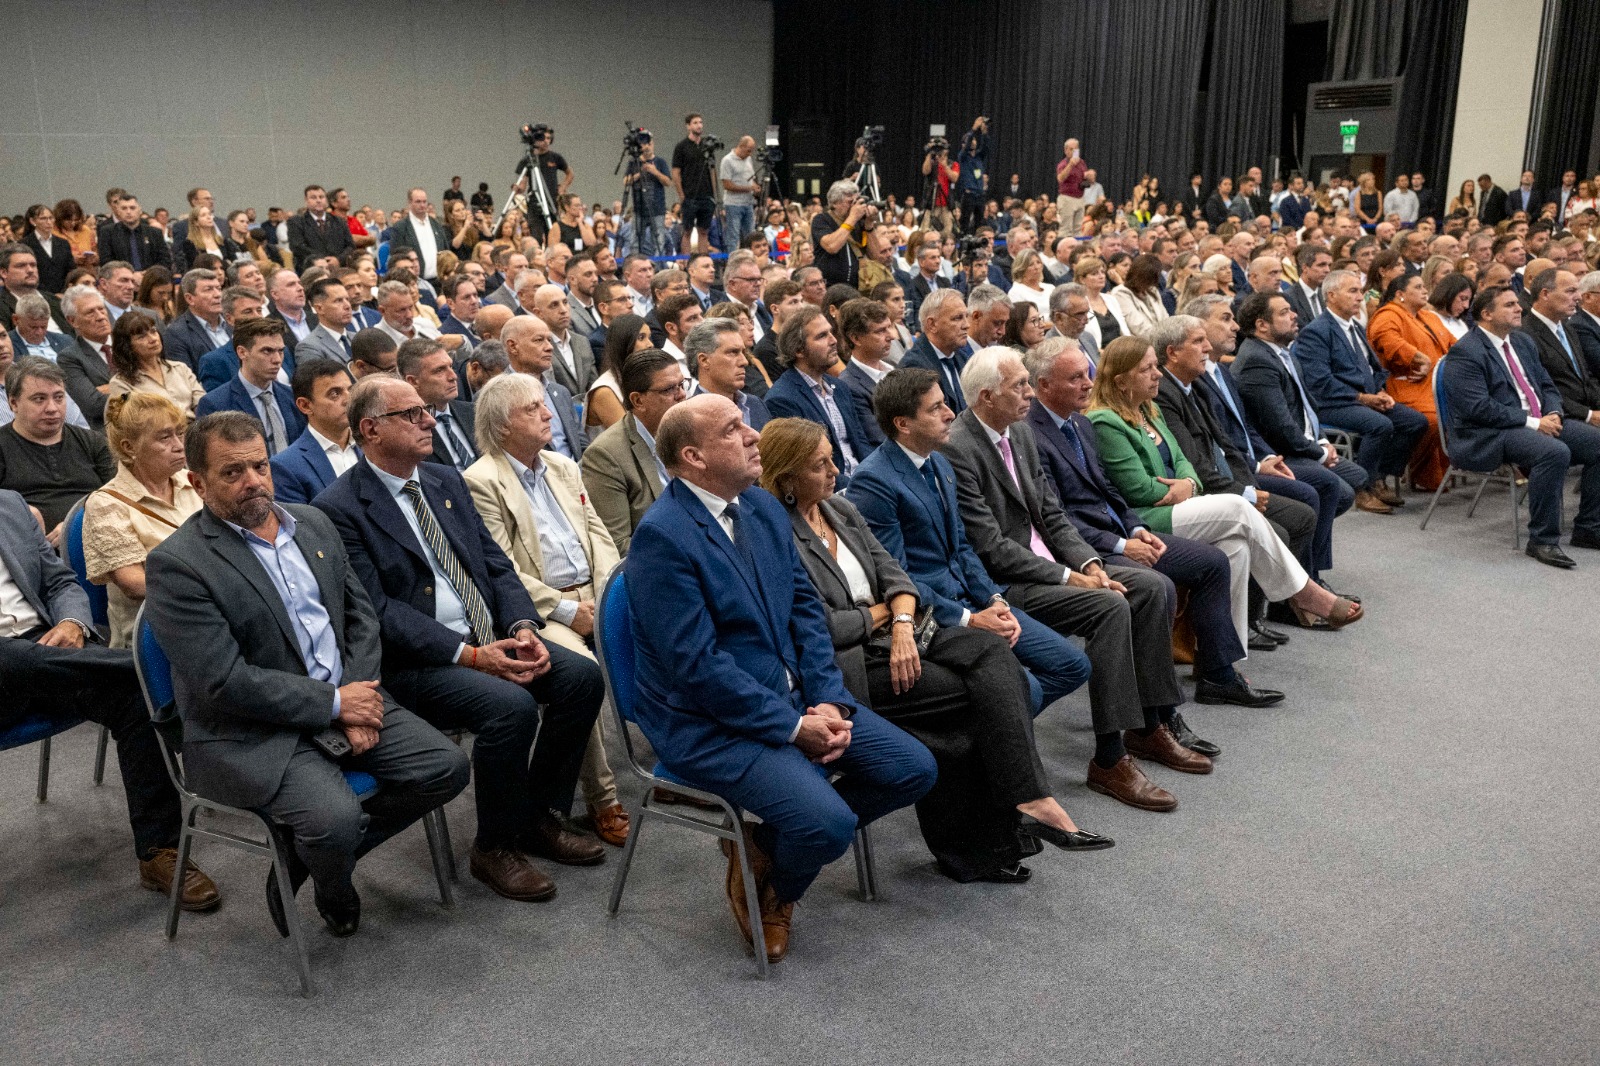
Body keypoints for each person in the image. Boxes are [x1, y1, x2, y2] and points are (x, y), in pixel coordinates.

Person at [627, 394, 936, 963]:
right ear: (693, 457)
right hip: (708, 722)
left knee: (912, 769)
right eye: (733, 429)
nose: (753, 435)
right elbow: (697, 668)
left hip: (794, 699)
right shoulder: (662, 537)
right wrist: (795, 727)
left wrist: (829, 701)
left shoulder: (763, 509)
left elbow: (805, 615)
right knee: (829, 824)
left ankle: (765, 845)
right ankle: (778, 892)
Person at [146, 411, 469, 936]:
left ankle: (303, 861)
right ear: (197, 482)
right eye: (232, 473)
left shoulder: (313, 523)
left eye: (260, 466)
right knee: (333, 820)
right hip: (251, 729)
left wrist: (359, 695)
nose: (253, 481)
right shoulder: (178, 565)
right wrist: (337, 706)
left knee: (446, 768)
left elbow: (361, 618)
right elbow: (222, 680)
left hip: (345, 695)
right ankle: (333, 884)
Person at [759, 416, 1109, 883]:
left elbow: (898, 578)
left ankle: (1000, 824)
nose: (835, 471)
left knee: (990, 652)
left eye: (831, 458)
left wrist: (900, 620)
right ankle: (996, 828)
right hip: (847, 665)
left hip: (902, 636)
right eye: (820, 465)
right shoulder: (774, 531)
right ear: (786, 478)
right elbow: (823, 625)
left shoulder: (839, 511)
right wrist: (884, 614)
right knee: (972, 704)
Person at [313, 375, 607, 899]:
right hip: (416, 664)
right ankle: (493, 847)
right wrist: (470, 655)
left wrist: (522, 627)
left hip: (489, 634)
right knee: (510, 708)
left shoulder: (445, 480)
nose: (430, 420)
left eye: (426, 409)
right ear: (370, 429)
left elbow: (495, 565)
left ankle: (540, 816)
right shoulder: (339, 507)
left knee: (580, 678)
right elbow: (376, 612)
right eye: (412, 414)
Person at [942, 344, 1229, 770]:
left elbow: (1053, 515)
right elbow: (992, 547)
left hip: (1054, 563)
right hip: (1006, 582)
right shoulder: (958, 448)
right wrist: (1069, 577)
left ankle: (1150, 724)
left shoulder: (1018, 431)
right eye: (1019, 385)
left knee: (1149, 587)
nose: (1028, 393)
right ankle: (1110, 757)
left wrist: (1089, 564)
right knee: (1111, 604)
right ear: (987, 397)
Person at [0, 487, 219, 910]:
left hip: (47, 653)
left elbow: (59, 579)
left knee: (133, 696)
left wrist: (73, 622)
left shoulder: (7, 505)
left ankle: (159, 852)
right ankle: (131, 665)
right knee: (128, 673)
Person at [1025, 338, 1271, 705]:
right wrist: (1122, 545)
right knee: (1157, 585)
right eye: (1076, 378)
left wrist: (1136, 527)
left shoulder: (1078, 424)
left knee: (1216, 560)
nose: (1088, 384)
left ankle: (1217, 675)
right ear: (1044, 385)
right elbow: (1057, 517)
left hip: (1119, 531)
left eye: (1088, 375)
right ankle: (1157, 710)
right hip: (1083, 549)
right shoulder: (1032, 435)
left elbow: (1108, 490)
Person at [1088, 334, 1362, 635]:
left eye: (1156, 366)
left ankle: (1224, 668)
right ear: (1120, 381)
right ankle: (1304, 593)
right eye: (1146, 369)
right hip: (1146, 520)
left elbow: (1184, 462)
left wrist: (1189, 485)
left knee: (1237, 549)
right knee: (1237, 506)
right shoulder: (1105, 421)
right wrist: (1185, 487)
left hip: (1181, 502)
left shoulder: (1148, 410)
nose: (1157, 374)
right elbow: (1137, 490)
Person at [461, 372, 629, 848]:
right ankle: (603, 798)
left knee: (672, 639)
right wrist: (569, 610)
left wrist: (607, 595)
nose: (549, 413)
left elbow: (597, 534)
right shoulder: (482, 481)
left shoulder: (562, 465)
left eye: (543, 404)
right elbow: (504, 568)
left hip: (594, 594)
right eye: (532, 409)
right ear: (501, 425)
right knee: (586, 673)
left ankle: (687, 766)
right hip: (543, 612)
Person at [1441, 285, 1600, 566]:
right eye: (1510, 305)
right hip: (1488, 433)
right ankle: (1542, 540)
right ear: (1487, 313)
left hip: (1536, 421)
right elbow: (1478, 409)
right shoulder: (1466, 352)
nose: (1520, 309)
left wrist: (1553, 412)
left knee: (1596, 442)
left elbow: (1547, 385)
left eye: (1518, 303)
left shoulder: (1522, 342)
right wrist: (1533, 422)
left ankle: (1588, 527)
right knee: (1553, 452)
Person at [1228, 293, 1367, 576]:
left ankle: (1302, 555)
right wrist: (1316, 452)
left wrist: (1323, 441)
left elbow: (1306, 407)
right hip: (1278, 451)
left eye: (1292, 310)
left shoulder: (1283, 352)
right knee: (1330, 487)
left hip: (1303, 444)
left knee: (1356, 479)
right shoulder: (1257, 360)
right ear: (1261, 325)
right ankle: (1309, 574)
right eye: (1284, 312)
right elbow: (1279, 426)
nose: (1295, 316)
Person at [1292, 270, 1428, 506]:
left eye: (1361, 291)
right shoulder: (1316, 331)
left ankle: (1377, 476)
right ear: (1331, 296)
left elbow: (1372, 369)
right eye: (1353, 291)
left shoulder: (1353, 326)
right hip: (1331, 403)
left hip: (1364, 398)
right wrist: (1363, 398)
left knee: (1416, 422)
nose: (1360, 297)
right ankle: (1360, 487)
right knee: (1380, 425)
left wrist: (1380, 390)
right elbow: (1320, 382)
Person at [82, 392, 202, 649]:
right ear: (129, 447)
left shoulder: (193, 482)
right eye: (164, 437)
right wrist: (211, 588)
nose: (180, 445)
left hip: (210, 616)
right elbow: (134, 584)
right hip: (156, 635)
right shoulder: (106, 503)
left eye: (180, 433)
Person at [580, 349, 683, 554]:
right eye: (669, 389)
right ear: (637, 401)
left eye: (682, 384)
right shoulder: (605, 455)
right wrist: (686, 553)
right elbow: (616, 544)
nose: (681, 395)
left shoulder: (689, 431)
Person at [0, 357, 115, 536]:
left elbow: (119, 497)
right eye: (39, 399)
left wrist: (76, 526)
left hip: (100, 534)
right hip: (27, 546)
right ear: (13, 403)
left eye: (59, 397)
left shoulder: (93, 441)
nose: (52, 408)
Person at [763, 307, 869, 488]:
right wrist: (860, 486)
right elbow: (809, 467)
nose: (834, 340)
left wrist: (877, 477)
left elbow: (861, 444)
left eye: (831, 332)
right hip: (832, 491)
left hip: (863, 480)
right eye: (822, 336)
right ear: (799, 350)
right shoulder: (782, 400)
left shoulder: (841, 388)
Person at [1367, 274, 1451, 490]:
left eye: (1425, 286)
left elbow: (1455, 345)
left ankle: (1445, 469)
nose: (1425, 291)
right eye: (1418, 287)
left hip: (1435, 385)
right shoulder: (1387, 315)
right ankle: (1419, 472)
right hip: (1405, 386)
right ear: (1400, 294)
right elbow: (1387, 339)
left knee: (1458, 411)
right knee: (1432, 420)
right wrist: (1417, 357)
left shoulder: (1429, 317)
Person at [271, 359, 360, 505]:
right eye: (335, 394)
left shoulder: (373, 443)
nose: (348, 399)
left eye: (350, 390)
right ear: (305, 405)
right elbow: (302, 526)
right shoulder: (286, 467)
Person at [1519, 269, 1600, 427]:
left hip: (1587, 409)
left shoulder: (1567, 327)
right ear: (1545, 294)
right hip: (1561, 416)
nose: (1578, 297)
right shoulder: (1524, 334)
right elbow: (1542, 388)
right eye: (1571, 291)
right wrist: (1588, 415)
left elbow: (1586, 378)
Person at [687, 318, 770, 429]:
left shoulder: (756, 405)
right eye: (732, 352)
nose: (744, 361)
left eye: (743, 352)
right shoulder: (688, 417)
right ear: (704, 360)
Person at [900, 288, 973, 411]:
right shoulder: (913, 368)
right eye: (957, 318)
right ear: (932, 324)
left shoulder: (963, 358)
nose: (967, 325)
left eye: (966, 316)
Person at [58, 284, 116, 428]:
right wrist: (134, 390)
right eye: (90, 312)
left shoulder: (129, 342)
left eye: (101, 309)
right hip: (109, 431)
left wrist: (112, 387)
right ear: (72, 321)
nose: (100, 317)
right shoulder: (69, 358)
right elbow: (94, 405)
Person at [585, 313, 651, 433]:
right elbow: (630, 438)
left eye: (649, 337)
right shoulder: (604, 390)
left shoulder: (640, 378)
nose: (650, 344)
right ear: (624, 343)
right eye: (641, 338)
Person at [810, 181, 868, 289]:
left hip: (858, 287)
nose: (854, 206)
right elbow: (832, 246)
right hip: (829, 288)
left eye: (856, 201)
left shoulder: (859, 222)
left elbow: (876, 255)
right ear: (834, 203)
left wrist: (869, 224)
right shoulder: (821, 219)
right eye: (850, 202)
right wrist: (853, 217)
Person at [1111, 253, 1169, 336]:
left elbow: (1165, 318)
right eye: (1149, 278)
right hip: (1140, 343)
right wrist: (1163, 337)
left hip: (1162, 339)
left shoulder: (1152, 290)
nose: (1151, 283)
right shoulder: (1120, 293)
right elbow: (1138, 327)